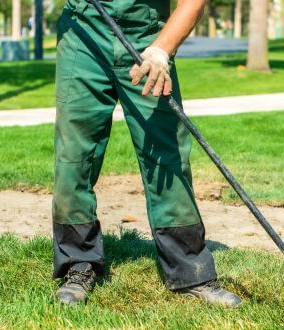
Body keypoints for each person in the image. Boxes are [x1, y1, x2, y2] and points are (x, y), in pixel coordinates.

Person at [52, 0, 241, 308]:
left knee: (166, 155)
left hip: (146, 38)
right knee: (74, 153)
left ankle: (189, 270)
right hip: (83, 36)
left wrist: (161, 50)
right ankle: (78, 263)